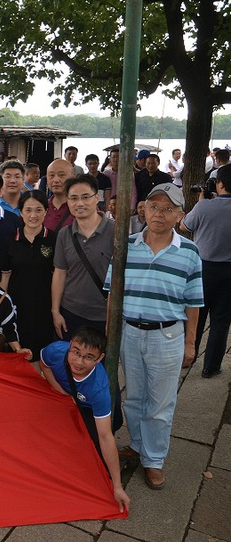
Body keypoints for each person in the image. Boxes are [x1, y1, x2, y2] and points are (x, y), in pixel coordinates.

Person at [105, 183, 203, 490]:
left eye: (168, 209)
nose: (159, 213)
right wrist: (110, 333)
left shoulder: (189, 252)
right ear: (144, 210)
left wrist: (190, 343)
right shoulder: (126, 245)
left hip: (167, 336)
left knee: (160, 403)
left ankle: (154, 459)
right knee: (134, 398)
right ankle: (137, 445)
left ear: (180, 215)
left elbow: (193, 302)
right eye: (154, 206)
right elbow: (112, 294)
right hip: (130, 333)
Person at [39, 327, 130, 513]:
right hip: (67, 395)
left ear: (100, 358)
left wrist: (117, 486)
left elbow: (105, 436)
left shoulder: (99, 389)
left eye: (89, 357)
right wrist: (60, 391)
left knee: (102, 434)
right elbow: (44, 364)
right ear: (70, 346)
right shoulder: (56, 350)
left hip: (90, 405)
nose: (79, 362)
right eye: (75, 352)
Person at [181, 164, 231, 378]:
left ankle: (188, 357)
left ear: (220, 183)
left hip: (203, 269)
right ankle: (211, 367)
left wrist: (201, 203)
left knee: (196, 315)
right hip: (229, 271)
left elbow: (184, 226)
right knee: (221, 321)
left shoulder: (204, 207)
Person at [51, 175, 114, 339]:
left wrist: (113, 318)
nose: (79, 203)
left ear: (97, 198)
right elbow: (60, 273)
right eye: (73, 198)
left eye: (85, 197)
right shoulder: (64, 234)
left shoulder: (115, 231)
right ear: (68, 201)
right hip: (71, 312)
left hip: (104, 316)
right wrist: (55, 311)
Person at [5, 190, 57, 362]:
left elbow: (59, 275)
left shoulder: (54, 238)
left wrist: (56, 308)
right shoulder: (11, 238)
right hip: (17, 305)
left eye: (38, 210)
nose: (33, 215)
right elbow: (5, 275)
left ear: (46, 211)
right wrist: (2, 305)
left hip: (45, 306)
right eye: (28, 210)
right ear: (20, 212)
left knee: (42, 354)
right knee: (17, 353)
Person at [42, 159, 75, 232]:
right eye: (51, 175)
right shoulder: (42, 207)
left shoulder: (83, 206)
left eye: (61, 175)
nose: (56, 180)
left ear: (73, 177)